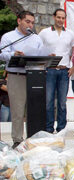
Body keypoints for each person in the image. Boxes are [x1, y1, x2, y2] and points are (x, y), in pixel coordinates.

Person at [0, 11, 44, 148]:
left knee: (34, 110)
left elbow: (41, 54)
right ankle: (17, 140)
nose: (30, 24)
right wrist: (14, 54)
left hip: (34, 77)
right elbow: (2, 55)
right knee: (18, 111)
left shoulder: (36, 38)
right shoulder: (9, 37)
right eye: (27, 21)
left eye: (32, 22)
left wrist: (47, 55)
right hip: (16, 76)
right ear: (19, 21)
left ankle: (33, 138)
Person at [39, 8, 74, 133]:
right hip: (49, 71)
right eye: (58, 17)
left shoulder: (70, 34)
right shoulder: (44, 33)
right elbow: (38, 50)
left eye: (63, 18)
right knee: (48, 101)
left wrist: (72, 67)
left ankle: (61, 128)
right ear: (54, 17)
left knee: (62, 102)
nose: (61, 20)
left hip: (63, 71)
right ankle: (49, 128)